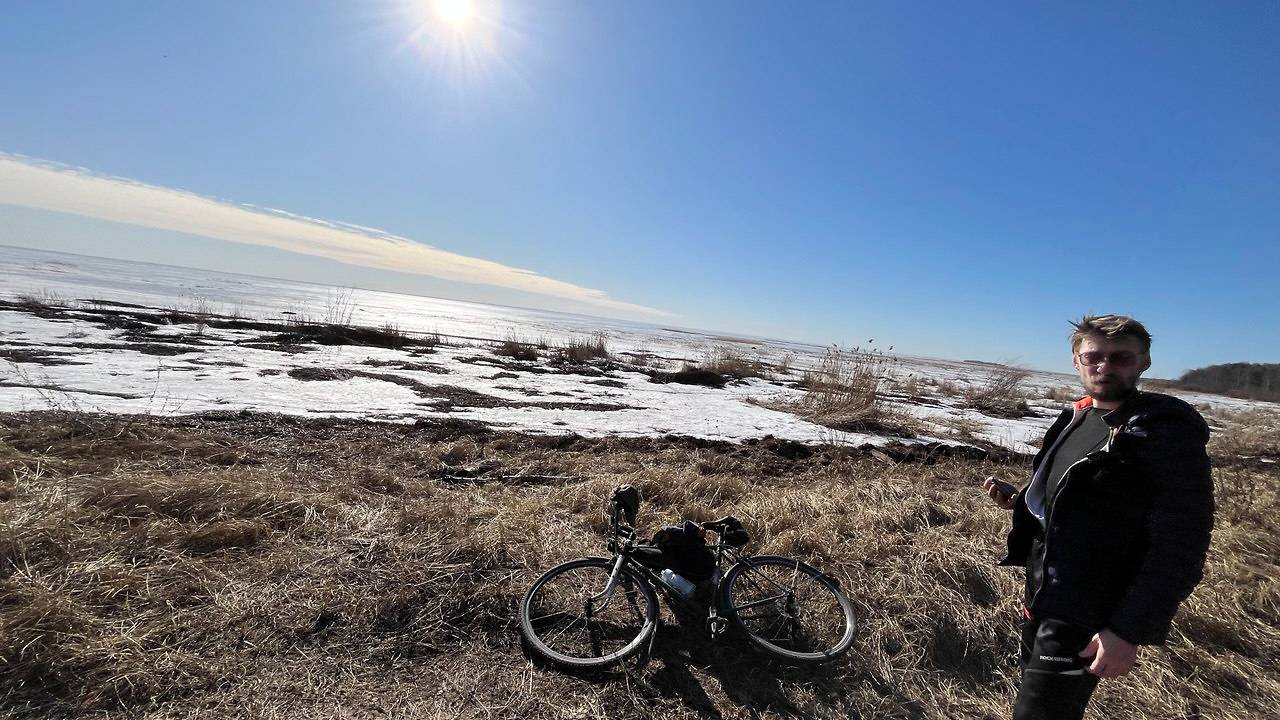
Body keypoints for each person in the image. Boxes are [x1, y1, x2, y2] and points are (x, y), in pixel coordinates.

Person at [983, 315, 1214, 720]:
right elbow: (1088, 501)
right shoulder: (1080, 417)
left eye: (1121, 357)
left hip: (1088, 608)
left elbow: (1182, 541)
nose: (1105, 367)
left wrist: (1128, 629)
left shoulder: (1162, 432)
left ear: (1144, 362)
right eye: (1094, 357)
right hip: (1044, 591)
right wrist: (1023, 501)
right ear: (1077, 361)